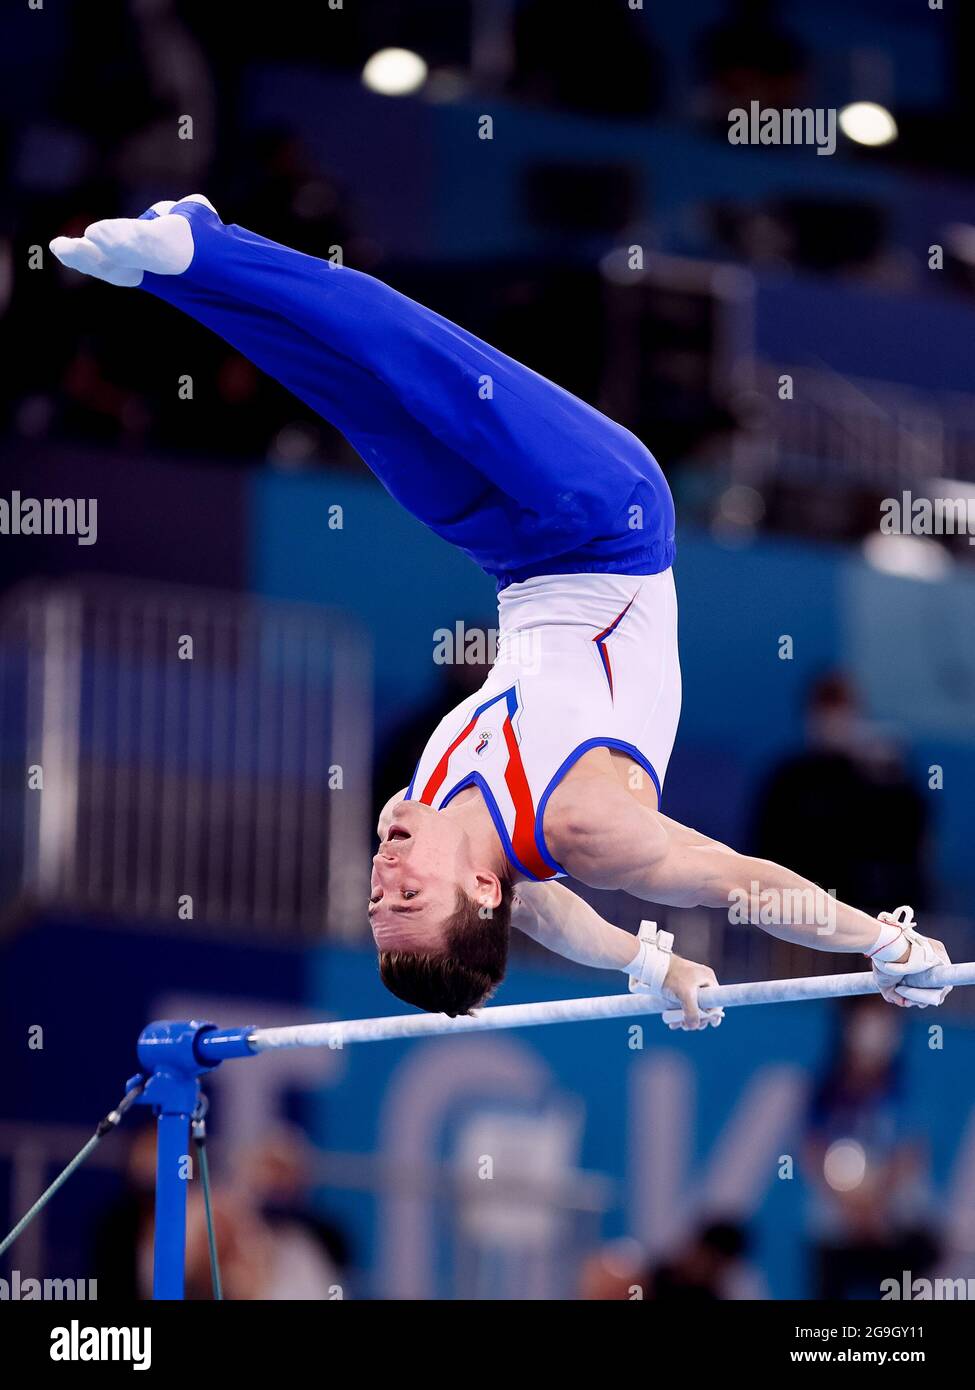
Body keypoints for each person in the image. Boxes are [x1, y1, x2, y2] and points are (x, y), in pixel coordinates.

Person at [50, 196, 952, 1026]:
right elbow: (745, 889)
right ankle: (210, 245)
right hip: (611, 517)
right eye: (408, 898)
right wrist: (887, 942)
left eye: (377, 903)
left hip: (509, 556)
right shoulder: (587, 829)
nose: (384, 878)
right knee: (418, 362)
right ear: (480, 888)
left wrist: (647, 967)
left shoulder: (427, 812)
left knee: (354, 398)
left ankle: (178, 275)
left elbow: (545, 914)